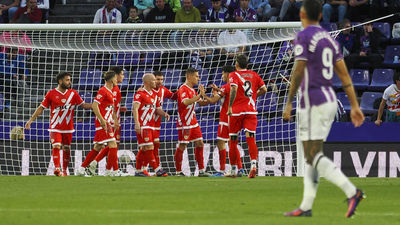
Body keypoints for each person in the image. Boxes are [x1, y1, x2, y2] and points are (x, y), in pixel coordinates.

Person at [282, 0, 365, 217]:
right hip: (329, 100)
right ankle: (307, 206)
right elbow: (344, 75)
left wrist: (289, 100)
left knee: (312, 154)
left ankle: (352, 191)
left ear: (301, 14)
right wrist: (354, 105)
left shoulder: (304, 36)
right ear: (320, 15)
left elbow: (298, 70)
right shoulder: (330, 39)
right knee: (312, 155)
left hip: (312, 101)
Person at [25, 72, 92, 176]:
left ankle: (64, 171)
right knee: (56, 146)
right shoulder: (51, 94)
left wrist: (96, 105)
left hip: (68, 128)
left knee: (66, 148)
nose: (69, 82)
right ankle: (57, 169)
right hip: (55, 127)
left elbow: (84, 105)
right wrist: (30, 120)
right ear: (60, 81)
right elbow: (41, 108)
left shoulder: (73, 93)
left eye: (69, 80)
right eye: (67, 80)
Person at [226, 55, 267, 178]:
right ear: (247, 65)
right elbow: (264, 89)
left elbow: (233, 89)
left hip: (236, 111)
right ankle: (253, 165)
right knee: (251, 138)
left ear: (236, 64)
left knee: (233, 140)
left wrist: (229, 106)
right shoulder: (254, 75)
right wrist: (254, 96)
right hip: (250, 111)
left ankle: (233, 170)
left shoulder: (233, 74)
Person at [77, 71, 121, 177]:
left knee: (98, 146)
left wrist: (113, 120)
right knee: (113, 144)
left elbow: (109, 108)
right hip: (103, 122)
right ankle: (113, 171)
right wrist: (102, 120)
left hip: (107, 121)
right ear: (111, 80)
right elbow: (95, 105)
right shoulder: (103, 90)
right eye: (115, 78)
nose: (117, 80)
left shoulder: (110, 91)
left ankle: (82, 169)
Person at [206, 65, 245, 177]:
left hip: (225, 118)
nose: (222, 75)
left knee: (221, 142)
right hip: (235, 118)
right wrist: (218, 90)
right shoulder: (237, 86)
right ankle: (240, 168)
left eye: (223, 73)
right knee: (232, 143)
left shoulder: (226, 86)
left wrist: (203, 95)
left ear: (228, 74)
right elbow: (226, 97)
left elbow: (213, 100)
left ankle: (222, 170)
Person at [88, 66, 126, 176]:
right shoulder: (108, 89)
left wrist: (116, 117)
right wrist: (113, 119)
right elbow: (102, 105)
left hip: (111, 119)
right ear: (116, 76)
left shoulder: (117, 89)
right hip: (106, 120)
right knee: (111, 144)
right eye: (122, 74)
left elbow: (113, 106)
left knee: (110, 145)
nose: (123, 77)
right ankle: (111, 170)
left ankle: (102, 167)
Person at [174, 67, 212, 177]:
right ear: (189, 76)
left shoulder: (192, 90)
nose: (198, 78)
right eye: (196, 76)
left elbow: (201, 103)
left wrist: (212, 97)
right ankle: (178, 171)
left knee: (200, 143)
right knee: (183, 145)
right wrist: (199, 95)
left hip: (193, 121)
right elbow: (186, 102)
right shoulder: (183, 89)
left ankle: (201, 171)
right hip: (184, 122)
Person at [133, 73, 169, 177]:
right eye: (154, 80)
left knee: (144, 148)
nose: (156, 82)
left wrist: (164, 114)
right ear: (148, 82)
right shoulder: (140, 94)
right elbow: (135, 108)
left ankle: (139, 171)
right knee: (149, 147)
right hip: (143, 125)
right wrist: (137, 124)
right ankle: (157, 169)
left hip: (151, 125)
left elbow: (157, 109)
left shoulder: (154, 94)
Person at [0, 47, 29, 111]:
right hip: (2, 78)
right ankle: (7, 104)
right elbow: (1, 71)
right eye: (13, 53)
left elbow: (23, 67)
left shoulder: (18, 58)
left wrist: (25, 74)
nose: (14, 55)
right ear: (8, 52)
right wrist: (11, 75)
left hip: (13, 79)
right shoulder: (1, 56)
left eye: (16, 53)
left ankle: (19, 102)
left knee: (19, 84)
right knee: (7, 83)